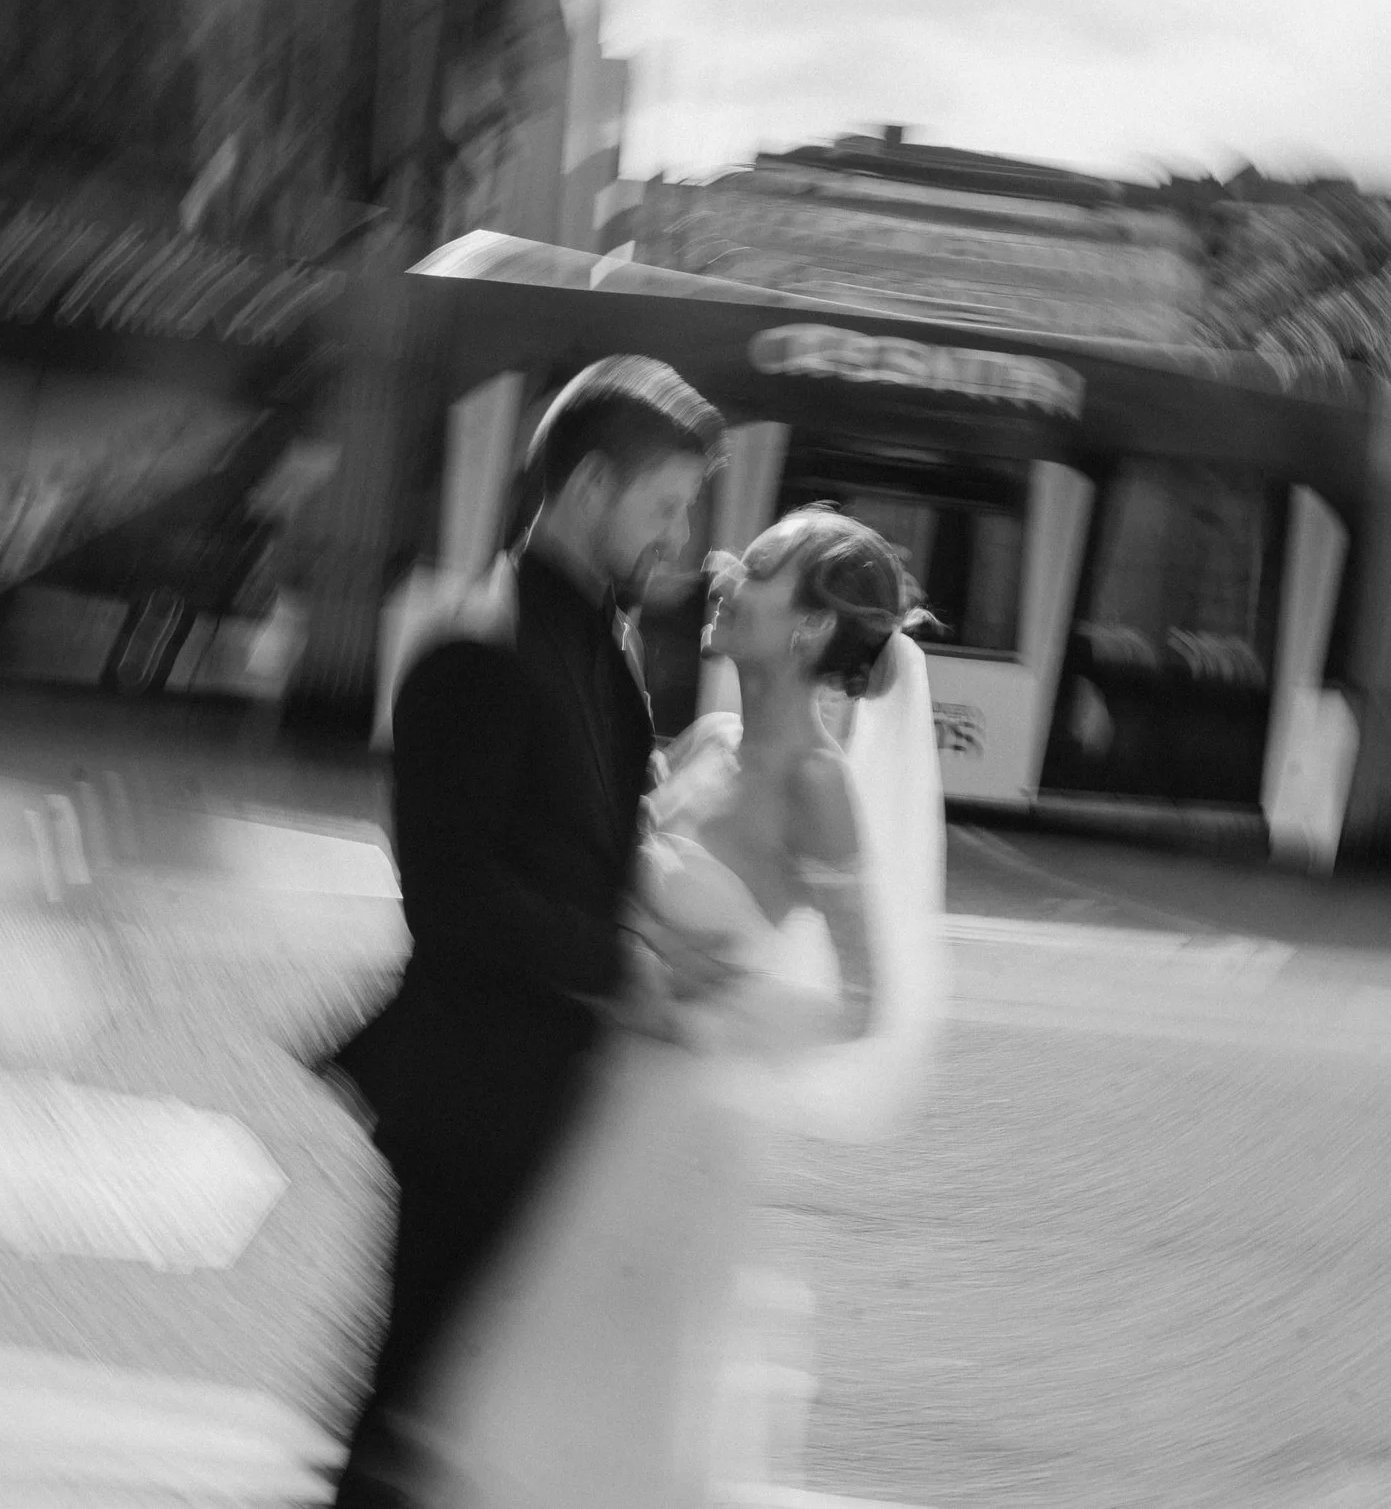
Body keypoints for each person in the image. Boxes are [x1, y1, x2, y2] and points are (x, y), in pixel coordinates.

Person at [399, 505, 950, 1509]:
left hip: (683, 1136)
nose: (724, 564)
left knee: (619, 1419)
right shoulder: (706, 739)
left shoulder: (815, 785)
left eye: (766, 564)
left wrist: (706, 1013)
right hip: (589, 1100)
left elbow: (872, 1003)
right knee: (517, 1393)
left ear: (809, 629)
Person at [322, 354, 726, 1509]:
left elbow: (588, 843)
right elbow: (451, 897)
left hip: (551, 1089)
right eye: (665, 504)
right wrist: (620, 965)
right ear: (592, 483)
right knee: (413, 1398)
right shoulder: (479, 642)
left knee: (468, 1403)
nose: (681, 535)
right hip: (474, 1092)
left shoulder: (597, 635)